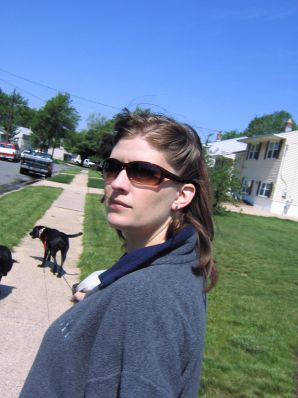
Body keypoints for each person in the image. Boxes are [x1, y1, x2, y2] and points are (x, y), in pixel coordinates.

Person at [20, 110, 217, 398]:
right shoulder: (177, 266)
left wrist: (122, 303)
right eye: (113, 167)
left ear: (182, 195)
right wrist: (100, 306)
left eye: (144, 172)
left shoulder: (147, 300)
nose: (118, 183)